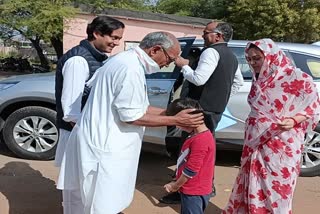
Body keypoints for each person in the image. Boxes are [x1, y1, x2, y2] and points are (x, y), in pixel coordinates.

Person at [57, 31, 204, 214]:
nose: (170, 63)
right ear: (155, 50)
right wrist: (175, 119)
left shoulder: (126, 61)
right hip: (104, 148)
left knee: (97, 200)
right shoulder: (130, 68)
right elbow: (131, 116)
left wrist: (170, 112)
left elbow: (138, 106)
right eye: (171, 58)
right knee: (100, 202)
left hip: (101, 143)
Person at [223, 38, 320, 213]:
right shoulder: (259, 78)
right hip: (255, 141)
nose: (253, 63)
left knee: (277, 189)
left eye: (257, 58)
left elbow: (313, 107)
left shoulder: (298, 78)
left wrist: (294, 120)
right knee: (253, 183)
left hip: (282, 143)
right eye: (249, 59)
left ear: (271, 56)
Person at [160, 21, 241, 204]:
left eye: (206, 32)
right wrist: (220, 98)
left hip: (199, 110)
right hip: (215, 110)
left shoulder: (211, 52)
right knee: (204, 151)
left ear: (217, 36)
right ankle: (205, 187)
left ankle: (181, 189)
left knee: (190, 151)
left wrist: (183, 65)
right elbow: (237, 83)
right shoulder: (232, 56)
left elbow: (198, 79)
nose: (203, 35)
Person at [54, 16, 125, 214]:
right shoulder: (78, 60)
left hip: (87, 133)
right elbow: (70, 110)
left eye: (119, 39)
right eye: (114, 37)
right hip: (77, 134)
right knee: (76, 191)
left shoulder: (98, 58)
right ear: (96, 33)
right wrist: (90, 133)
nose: (116, 43)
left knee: (88, 187)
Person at [164, 98, 215, 214]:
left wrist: (175, 186)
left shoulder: (201, 140)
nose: (177, 127)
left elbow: (191, 170)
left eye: (178, 122)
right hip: (192, 188)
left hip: (194, 190)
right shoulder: (197, 135)